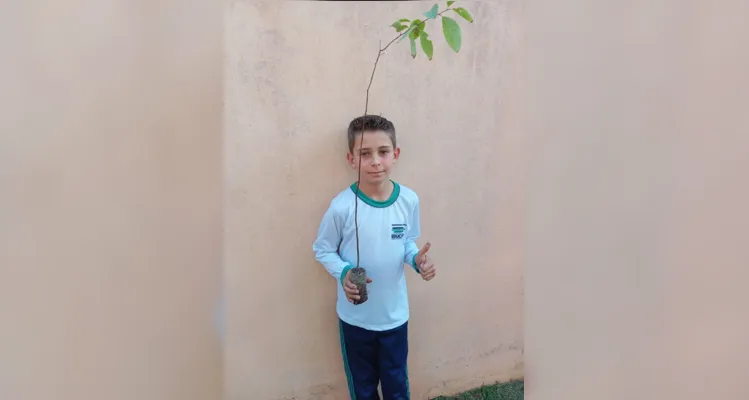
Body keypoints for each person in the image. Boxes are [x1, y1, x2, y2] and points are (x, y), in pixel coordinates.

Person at [312, 114, 436, 400]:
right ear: (351, 159)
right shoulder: (342, 207)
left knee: (396, 384)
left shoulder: (409, 200)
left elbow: (407, 242)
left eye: (382, 152)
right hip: (355, 318)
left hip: (394, 316)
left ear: (396, 154)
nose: (375, 161)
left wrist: (417, 260)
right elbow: (323, 249)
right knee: (363, 387)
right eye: (364, 154)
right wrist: (344, 272)